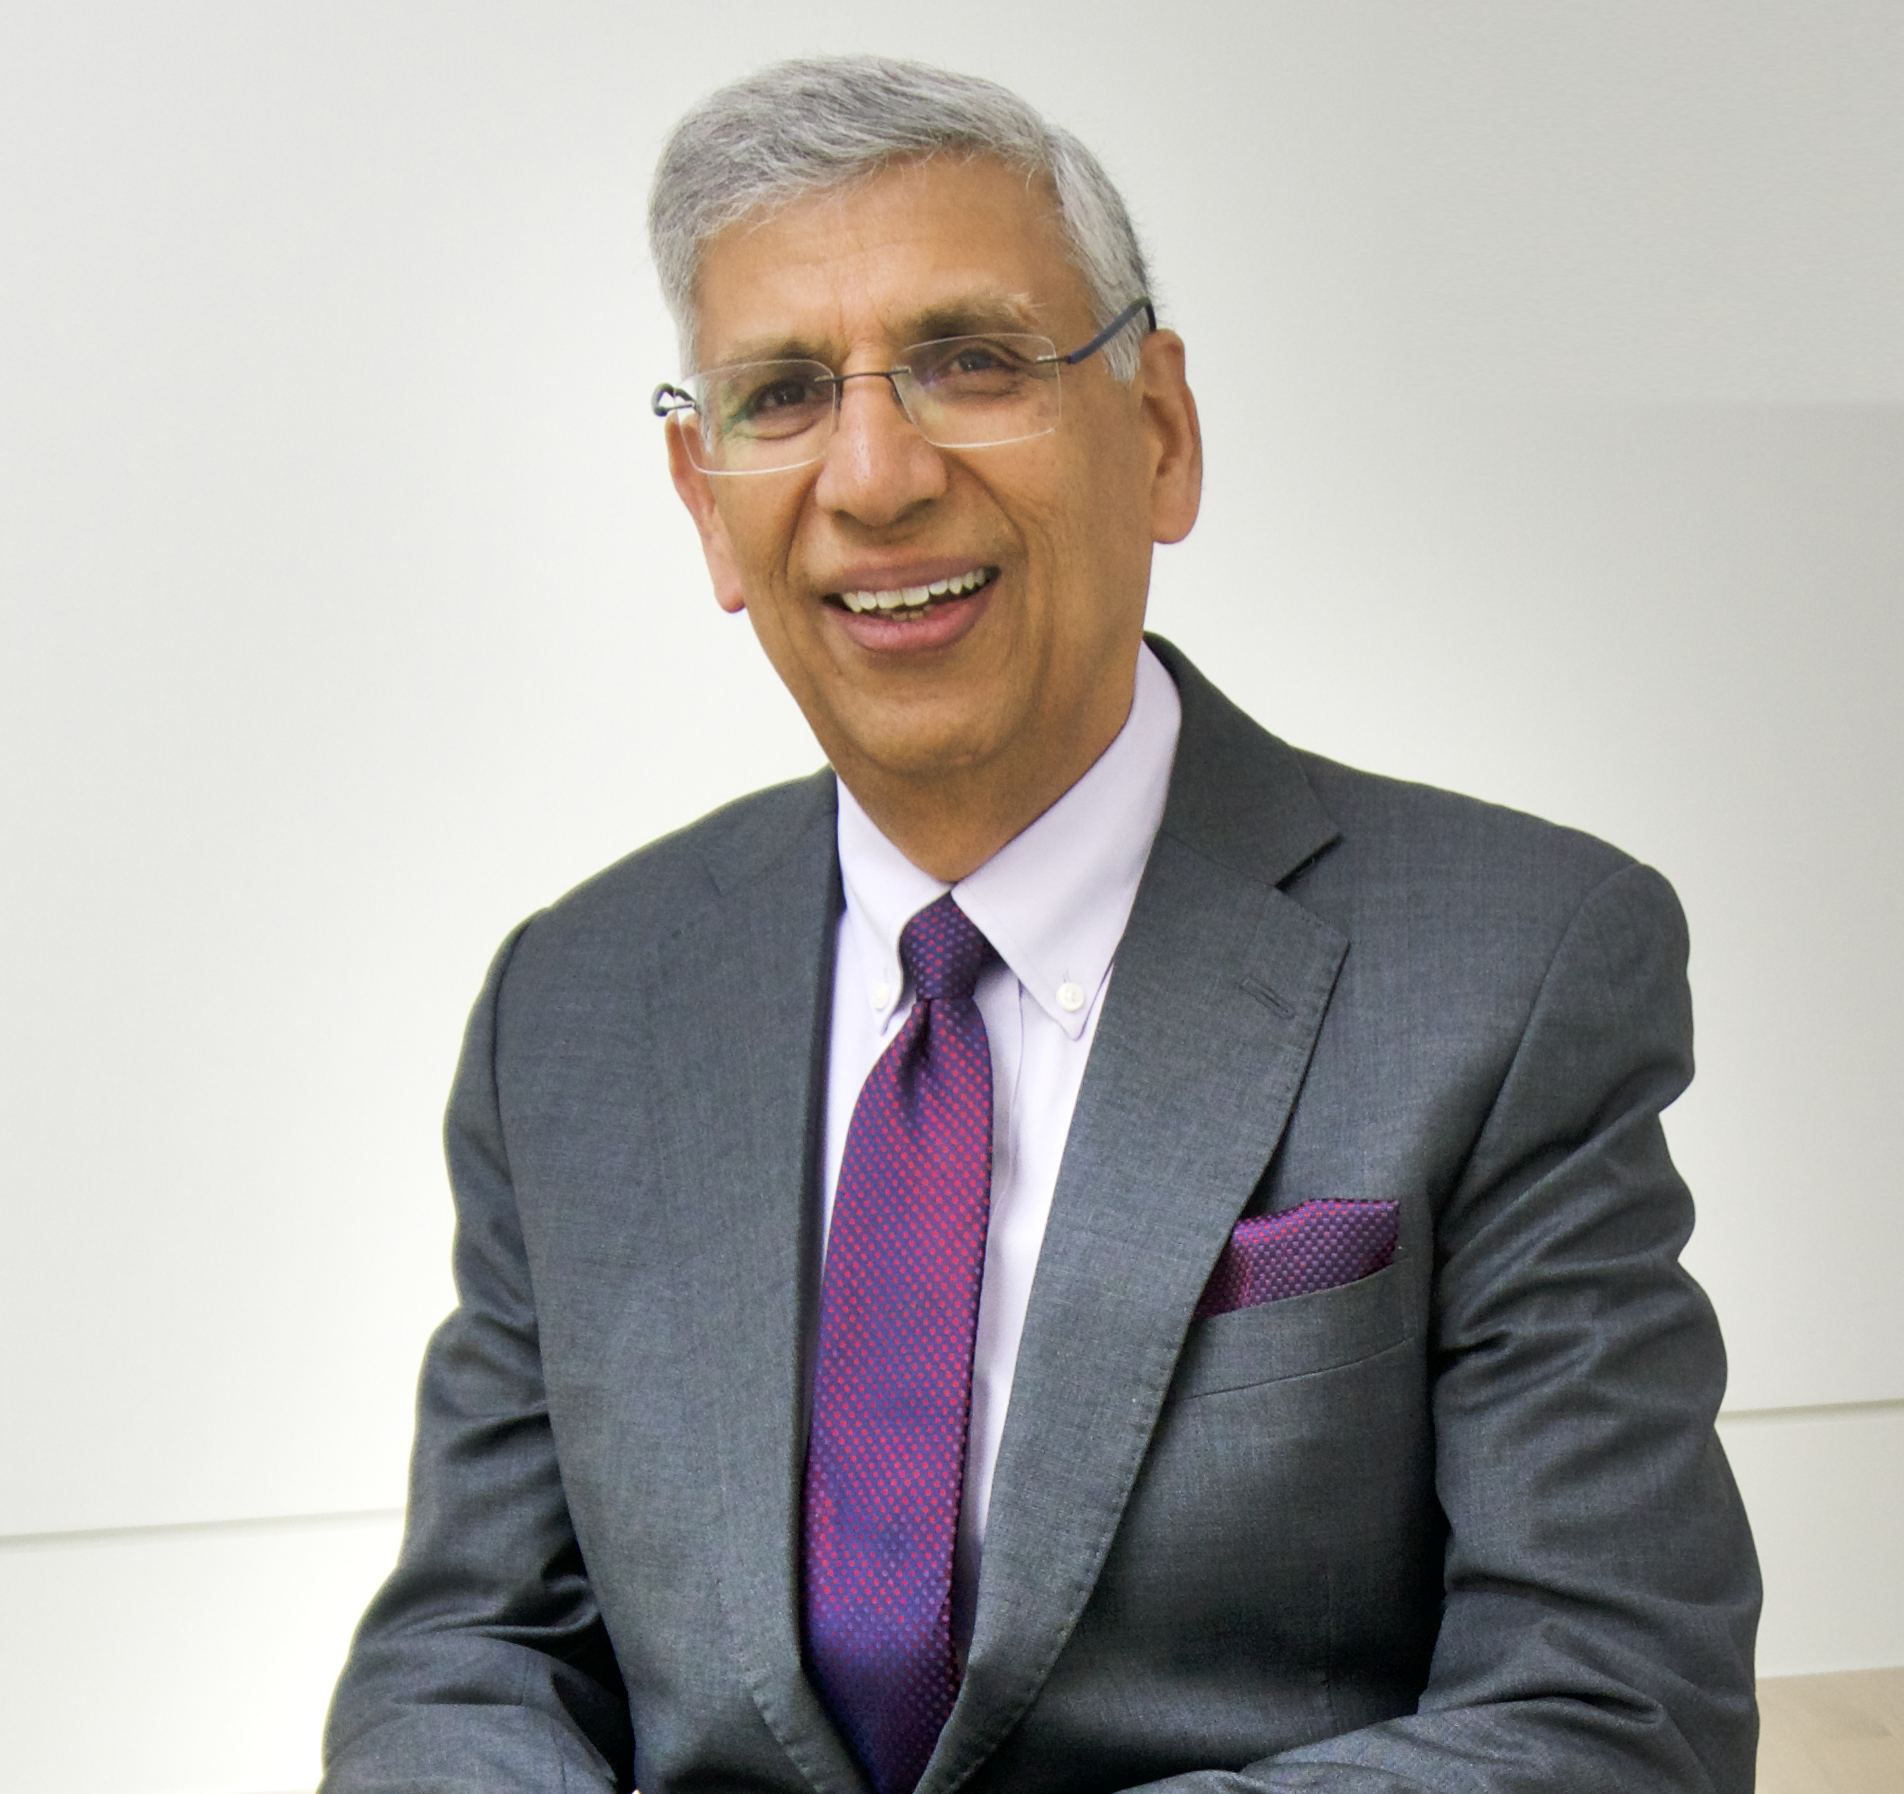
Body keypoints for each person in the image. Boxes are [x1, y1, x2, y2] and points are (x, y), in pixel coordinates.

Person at [320, 54, 1759, 1794]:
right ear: (708, 504)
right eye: (781, 395)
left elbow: (1613, 1710)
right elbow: (470, 1657)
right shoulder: (579, 1003)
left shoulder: (1517, 969)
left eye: (969, 361)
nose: (873, 475)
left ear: (1157, 433)